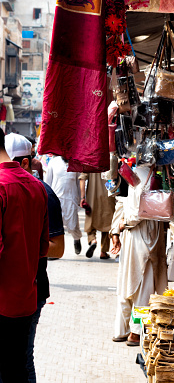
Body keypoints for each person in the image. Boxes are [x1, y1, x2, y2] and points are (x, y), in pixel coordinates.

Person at [4, 133, 65, 383]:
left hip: (27, 292)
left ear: (26, 162)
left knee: (21, 361)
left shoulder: (43, 193)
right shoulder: (23, 189)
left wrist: (22, 246)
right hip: (17, 293)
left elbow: (57, 249)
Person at [0, 129, 49, 382]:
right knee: (18, 367)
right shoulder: (37, 187)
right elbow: (44, 248)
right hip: (26, 298)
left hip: (2, 301)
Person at [111, 166, 167, 346]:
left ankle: (124, 329)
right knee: (142, 283)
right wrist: (119, 228)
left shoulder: (137, 174)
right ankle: (134, 332)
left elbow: (122, 204)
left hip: (135, 235)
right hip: (142, 236)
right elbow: (135, 211)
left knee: (129, 281)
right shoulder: (146, 176)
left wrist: (117, 230)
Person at [45, 155, 82, 254]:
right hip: (56, 198)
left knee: (73, 225)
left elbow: (79, 183)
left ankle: (76, 239)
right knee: (55, 225)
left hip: (71, 198)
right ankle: (53, 248)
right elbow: (48, 182)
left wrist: (81, 198)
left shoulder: (76, 162)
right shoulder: (53, 162)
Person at [79, 173, 115, 259]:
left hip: (92, 196)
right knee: (107, 222)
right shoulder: (111, 159)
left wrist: (82, 197)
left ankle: (92, 240)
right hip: (108, 195)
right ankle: (104, 251)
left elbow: (82, 179)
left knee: (90, 220)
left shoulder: (89, 160)